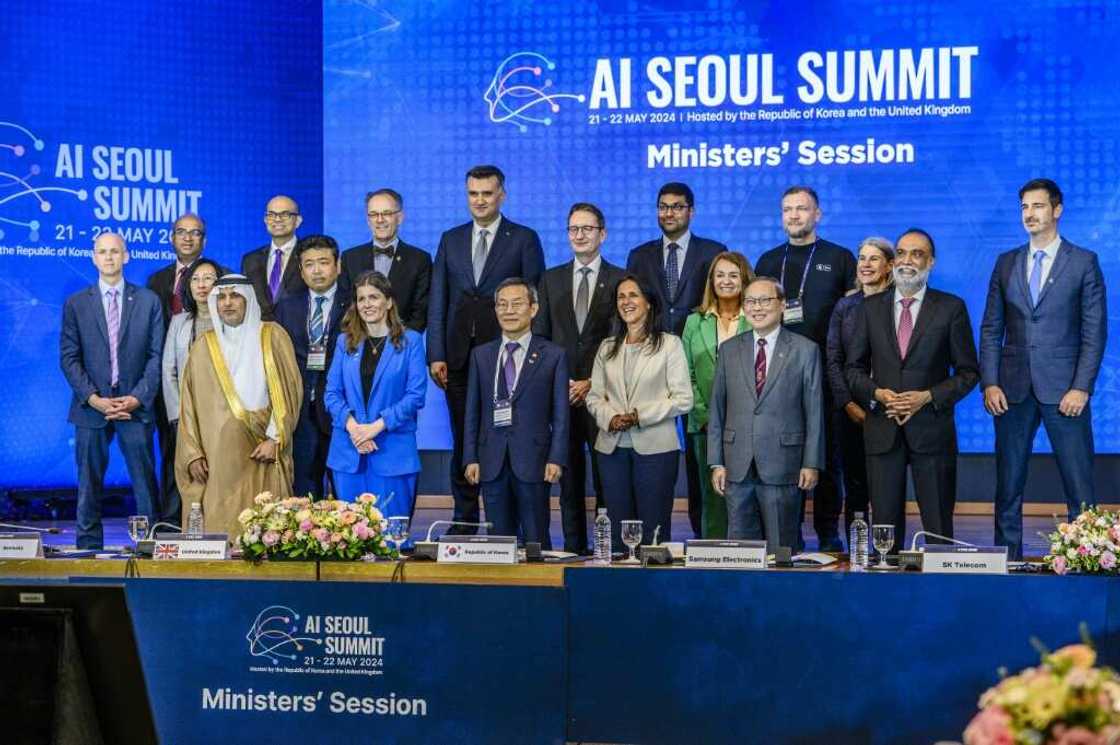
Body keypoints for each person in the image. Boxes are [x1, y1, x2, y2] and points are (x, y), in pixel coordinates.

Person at [980, 179, 1106, 560]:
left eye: (1037, 206)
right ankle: (1007, 560)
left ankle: (1086, 560)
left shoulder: (1083, 262)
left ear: (1057, 209)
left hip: (1065, 390)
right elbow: (991, 328)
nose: (1029, 214)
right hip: (1013, 390)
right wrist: (990, 382)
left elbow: (1093, 331)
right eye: (1023, 207)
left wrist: (1081, 387)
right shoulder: (1006, 263)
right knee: (1008, 485)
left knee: (1078, 484)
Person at [428, 165, 545, 535]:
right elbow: (438, 300)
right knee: (463, 438)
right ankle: (463, 521)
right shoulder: (451, 239)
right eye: (473, 194)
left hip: (509, 358)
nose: (479, 200)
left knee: (505, 438)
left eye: (487, 194)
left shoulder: (524, 238)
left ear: (501, 196)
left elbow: (535, 297)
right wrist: (436, 353)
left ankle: (507, 523)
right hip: (459, 359)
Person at [845, 229, 979, 549]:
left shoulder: (950, 307)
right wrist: (877, 395)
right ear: (893, 263)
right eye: (902, 253)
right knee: (884, 530)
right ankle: (888, 589)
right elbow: (853, 370)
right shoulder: (869, 307)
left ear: (930, 262)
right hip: (882, 429)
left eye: (917, 254)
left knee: (937, 527)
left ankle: (939, 590)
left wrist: (927, 397)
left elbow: (968, 373)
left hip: (931, 430)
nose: (908, 260)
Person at [754, 186, 857, 552]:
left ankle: (829, 535)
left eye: (802, 209)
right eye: (787, 209)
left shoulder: (840, 257)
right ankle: (787, 534)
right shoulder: (767, 261)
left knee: (828, 459)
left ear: (818, 214)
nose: (794, 215)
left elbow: (854, 315)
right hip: (778, 375)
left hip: (827, 373)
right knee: (784, 456)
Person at [626, 182, 725, 539]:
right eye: (663, 206)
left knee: (701, 457)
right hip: (651, 367)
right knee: (655, 455)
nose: (669, 213)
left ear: (691, 211)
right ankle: (652, 533)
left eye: (677, 207)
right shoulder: (639, 256)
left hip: (699, 365)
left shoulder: (713, 251)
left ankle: (706, 533)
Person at [174, 275, 303, 537]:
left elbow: (289, 392)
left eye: (235, 296)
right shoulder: (202, 346)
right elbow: (188, 405)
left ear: (249, 300)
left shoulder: (272, 336)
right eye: (221, 297)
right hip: (216, 460)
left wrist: (275, 438)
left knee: (265, 529)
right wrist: (192, 453)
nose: (228, 303)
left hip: (262, 451)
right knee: (218, 530)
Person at [60, 232, 164, 549]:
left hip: (135, 405)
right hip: (91, 408)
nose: (108, 257)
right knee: (88, 484)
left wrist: (136, 397)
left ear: (126, 256)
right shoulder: (77, 303)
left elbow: (156, 356)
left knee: (145, 484)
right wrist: (94, 399)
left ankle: (150, 546)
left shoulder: (148, 301)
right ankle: (88, 546)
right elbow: (68, 357)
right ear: (94, 258)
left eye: (115, 251)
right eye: (102, 252)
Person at [533, 202, 625, 554]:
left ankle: (609, 547)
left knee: (606, 474)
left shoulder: (620, 279)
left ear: (602, 234)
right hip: (562, 394)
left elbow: (621, 340)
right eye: (574, 229)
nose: (580, 235)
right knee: (567, 475)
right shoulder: (549, 278)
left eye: (587, 229)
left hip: (604, 395)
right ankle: (573, 545)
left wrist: (591, 381)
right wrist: (564, 383)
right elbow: (540, 338)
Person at [708, 277, 824, 554]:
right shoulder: (728, 350)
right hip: (737, 465)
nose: (757, 308)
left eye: (765, 300)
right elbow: (717, 409)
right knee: (740, 551)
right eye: (750, 301)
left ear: (782, 305)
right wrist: (716, 462)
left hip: (784, 464)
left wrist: (811, 463)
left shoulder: (805, 350)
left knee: (782, 549)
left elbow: (814, 411)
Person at [586, 275, 692, 548]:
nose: (626, 302)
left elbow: (683, 399)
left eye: (633, 295)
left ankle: (654, 585)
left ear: (648, 303)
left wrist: (638, 416)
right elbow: (594, 397)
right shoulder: (607, 347)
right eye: (621, 297)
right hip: (611, 449)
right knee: (618, 529)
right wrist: (610, 417)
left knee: (653, 530)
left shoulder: (670, 344)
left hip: (656, 449)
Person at [464, 278, 568, 548]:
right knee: (498, 542)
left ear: (533, 309)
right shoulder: (481, 355)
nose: (508, 310)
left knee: (536, 540)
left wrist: (556, 458)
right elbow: (472, 412)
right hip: (491, 460)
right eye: (502, 304)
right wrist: (470, 457)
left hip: (534, 460)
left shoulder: (553, 355)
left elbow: (560, 414)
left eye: (517, 303)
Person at [324, 271, 426, 518]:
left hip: (392, 453)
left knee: (389, 541)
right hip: (349, 453)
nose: (367, 304)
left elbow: (415, 396)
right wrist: (354, 428)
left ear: (389, 301)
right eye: (361, 299)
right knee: (350, 541)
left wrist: (375, 428)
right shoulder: (344, 342)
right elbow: (332, 393)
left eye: (374, 297)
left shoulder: (410, 341)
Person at [825, 237, 894, 541]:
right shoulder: (845, 305)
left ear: (889, 265)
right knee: (854, 485)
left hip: (890, 409)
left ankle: (887, 550)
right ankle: (858, 551)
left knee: (885, 485)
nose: (865, 264)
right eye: (862, 258)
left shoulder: (900, 302)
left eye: (874, 258)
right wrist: (847, 404)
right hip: (850, 410)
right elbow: (833, 358)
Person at [681, 251, 753, 539]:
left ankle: (746, 559)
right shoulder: (694, 322)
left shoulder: (756, 318)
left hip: (749, 425)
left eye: (733, 275)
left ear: (745, 279)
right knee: (711, 496)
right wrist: (707, 417)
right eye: (720, 275)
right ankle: (712, 557)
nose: (726, 281)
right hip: (704, 426)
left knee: (746, 495)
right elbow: (687, 375)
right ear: (711, 280)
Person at [273, 235, 351, 498]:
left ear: (337, 266)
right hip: (300, 407)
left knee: (343, 486)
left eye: (323, 262)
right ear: (301, 270)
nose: (317, 270)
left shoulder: (355, 304)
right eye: (309, 264)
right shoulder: (285, 307)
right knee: (305, 484)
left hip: (343, 408)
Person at [146, 212, 209, 524]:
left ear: (204, 240)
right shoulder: (156, 280)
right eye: (181, 232)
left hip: (211, 397)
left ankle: (210, 521)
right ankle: (171, 522)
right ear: (172, 239)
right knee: (172, 456)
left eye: (195, 233)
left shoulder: (220, 278)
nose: (187, 238)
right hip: (166, 386)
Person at [161, 257, 225, 524]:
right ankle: (185, 531)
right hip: (187, 416)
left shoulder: (231, 321)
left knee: (220, 474)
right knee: (190, 473)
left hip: (223, 415)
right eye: (196, 279)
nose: (202, 285)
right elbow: (168, 370)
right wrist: (177, 415)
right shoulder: (180, 322)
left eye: (208, 278)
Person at [338, 188, 432, 331]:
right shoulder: (349, 258)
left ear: (400, 217)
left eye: (387, 213)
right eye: (374, 214)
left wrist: (399, 342)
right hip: (359, 344)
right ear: (368, 220)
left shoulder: (420, 259)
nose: (380, 220)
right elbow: (345, 305)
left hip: (402, 345)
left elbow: (420, 311)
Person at [242, 195, 306, 319]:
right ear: (265, 220)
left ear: (298, 221)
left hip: (298, 334)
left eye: (285, 214)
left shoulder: (307, 255)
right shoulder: (250, 260)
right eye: (271, 215)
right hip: (260, 334)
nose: (277, 219)